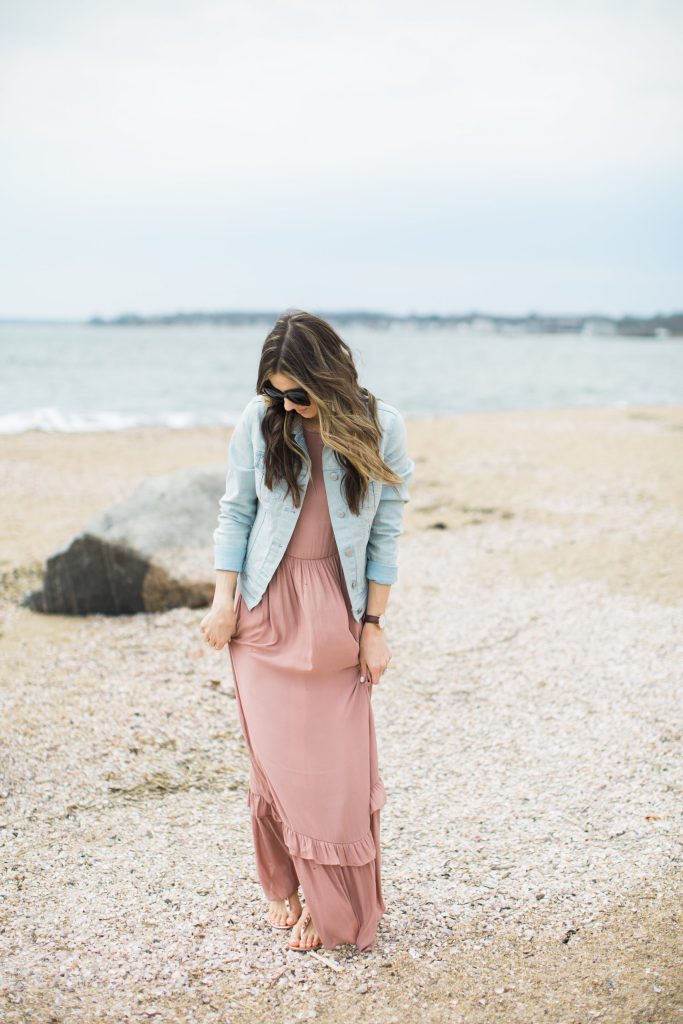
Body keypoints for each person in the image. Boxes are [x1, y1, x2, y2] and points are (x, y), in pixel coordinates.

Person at [199, 309, 414, 952]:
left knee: (336, 772)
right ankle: (286, 889)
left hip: (336, 615)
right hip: (265, 615)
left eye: (298, 392)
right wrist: (222, 600)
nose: (288, 407)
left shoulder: (384, 428)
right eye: (277, 393)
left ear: (329, 376)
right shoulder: (261, 419)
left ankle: (335, 900)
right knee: (276, 764)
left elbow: (386, 533)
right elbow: (235, 511)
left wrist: (373, 625)